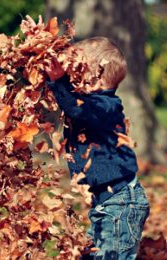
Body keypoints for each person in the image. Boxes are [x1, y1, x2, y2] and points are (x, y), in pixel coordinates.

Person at [45, 37, 150, 259]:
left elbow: (78, 108)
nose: (71, 79)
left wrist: (58, 82)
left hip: (121, 205)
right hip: (105, 204)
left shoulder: (106, 106)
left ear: (96, 78)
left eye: (76, 72)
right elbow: (71, 104)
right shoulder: (92, 106)